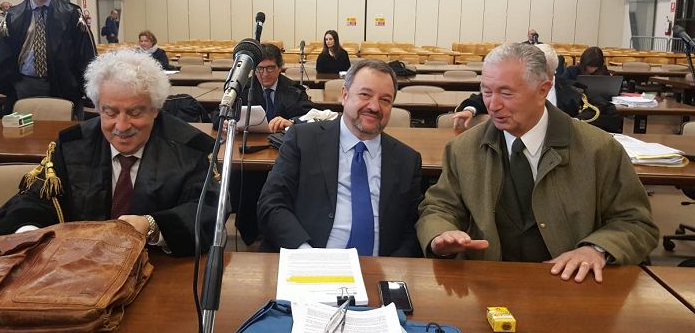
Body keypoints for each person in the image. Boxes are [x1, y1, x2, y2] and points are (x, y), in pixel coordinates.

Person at [417, 43, 658, 283]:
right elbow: (439, 208)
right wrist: (440, 234)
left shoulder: (599, 149)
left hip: (571, 286)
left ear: (543, 90)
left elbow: (636, 223)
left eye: (506, 93)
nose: (493, 105)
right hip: (487, 286)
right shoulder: (463, 149)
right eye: (487, 92)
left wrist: (596, 249)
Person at [0, 49, 220, 256]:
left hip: (161, 269)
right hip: (77, 270)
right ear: (97, 108)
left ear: (155, 109)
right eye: (110, 112)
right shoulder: (72, 145)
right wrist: (29, 233)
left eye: (135, 113)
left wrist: (152, 226)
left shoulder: (192, 149)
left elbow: (208, 213)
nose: (122, 126)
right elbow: (35, 199)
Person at [257, 59, 423, 256]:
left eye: (385, 100)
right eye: (365, 94)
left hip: (380, 266)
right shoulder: (303, 140)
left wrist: (390, 268)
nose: (374, 107)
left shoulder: (407, 160)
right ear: (345, 95)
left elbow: (411, 231)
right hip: (309, 258)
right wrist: (305, 254)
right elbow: (272, 203)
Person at [0, 0, 96, 118]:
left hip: (63, 83)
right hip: (24, 84)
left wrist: (83, 85)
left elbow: (84, 53)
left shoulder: (71, 13)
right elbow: (3, 52)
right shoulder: (13, 15)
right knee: (25, 131)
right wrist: (11, 82)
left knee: (65, 129)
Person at [453, 43, 582, 130]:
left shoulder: (571, 91)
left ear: (551, 70)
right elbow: (483, 99)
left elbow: (589, 114)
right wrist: (469, 110)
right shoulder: (507, 86)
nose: (493, 106)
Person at [240, 43, 314, 133]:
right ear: (254, 70)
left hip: (283, 139)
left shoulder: (294, 90)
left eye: (270, 68)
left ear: (280, 68)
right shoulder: (243, 89)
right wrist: (227, 122)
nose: (265, 74)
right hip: (251, 138)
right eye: (260, 68)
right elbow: (224, 114)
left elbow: (313, 116)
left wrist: (292, 122)